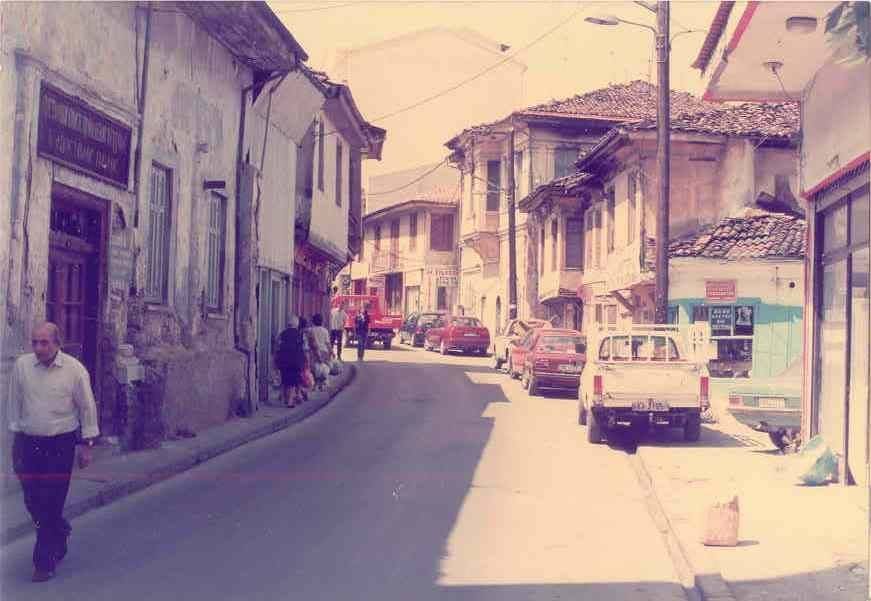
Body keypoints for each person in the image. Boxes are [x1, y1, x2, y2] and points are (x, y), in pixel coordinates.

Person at [8, 322, 99, 582]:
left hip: (60, 445)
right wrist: (15, 438)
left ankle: (43, 562)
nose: (38, 348)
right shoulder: (22, 366)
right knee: (32, 500)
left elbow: (87, 407)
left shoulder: (74, 370)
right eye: (35, 342)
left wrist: (87, 445)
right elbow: (14, 403)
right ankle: (59, 529)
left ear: (57, 343)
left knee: (51, 500)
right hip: (27, 443)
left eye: (44, 343)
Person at [275, 316, 306, 408]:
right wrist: (304, 360)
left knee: (285, 378)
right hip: (295, 360)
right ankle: (290, 401)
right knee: (293, 380)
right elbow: (303, 348)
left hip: (283, 359)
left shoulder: (282, 333)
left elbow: (277, 345)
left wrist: (276, 358)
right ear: (296, 324)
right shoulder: (299, 334)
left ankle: (285, 398)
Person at [306, 314, 333, 390]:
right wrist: (331, 352)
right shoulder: (325, 331)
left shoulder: (310, 330)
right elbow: (327, 343)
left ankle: (315, 384)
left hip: (313, 352)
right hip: (324, 352)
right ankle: (322, 384)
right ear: (322, 321)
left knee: (314, 369)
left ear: (313, 321)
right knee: (323, 368)